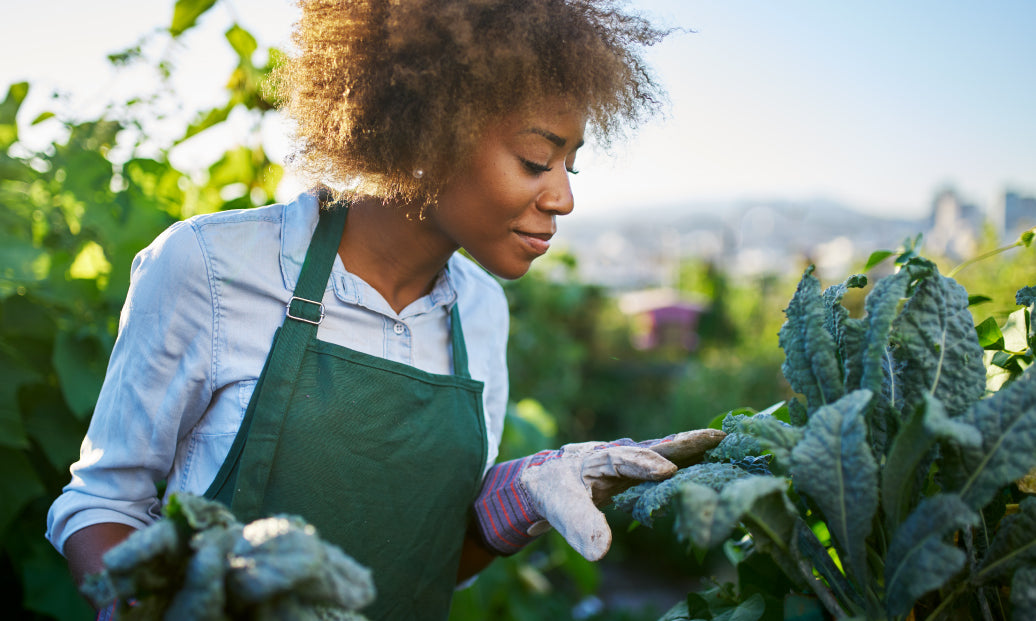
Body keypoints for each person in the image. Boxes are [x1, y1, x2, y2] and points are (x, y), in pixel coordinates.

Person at [46, 1, 725, 619]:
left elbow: (425, 564)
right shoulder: (213, 267)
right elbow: (102, 503)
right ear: (429, 132)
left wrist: (517, 505)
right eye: (534, 159)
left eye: (570, 165)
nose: (563, 198)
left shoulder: (481, 311)